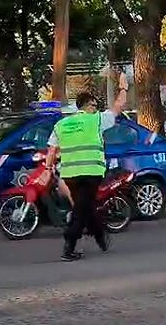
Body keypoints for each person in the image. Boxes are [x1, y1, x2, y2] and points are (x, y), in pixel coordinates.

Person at [44, 74, 128, 261]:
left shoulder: (62, 124)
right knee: (82, 209)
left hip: (70, 175)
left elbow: (51, 150)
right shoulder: (96, 120)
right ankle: (70, 245)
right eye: (93, 105)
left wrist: (48, 169)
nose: (95, 108)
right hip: (91, 173)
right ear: (86, 106)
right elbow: (118, 106)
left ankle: (99, 237)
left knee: (83, 206)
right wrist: (124, 88)